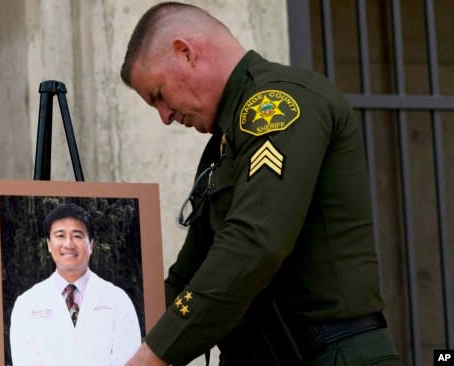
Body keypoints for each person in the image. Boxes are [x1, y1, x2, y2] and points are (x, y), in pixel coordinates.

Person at [121, 2, 401, 365]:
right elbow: (188, 275)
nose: (165, 117)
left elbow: (255, 241)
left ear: (185, 53)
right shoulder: (220, 149)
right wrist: (119, 333)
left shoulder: (277, 103)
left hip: (330, 354)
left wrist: (154, 355)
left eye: (159, 95)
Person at [9, 202, 141, 365]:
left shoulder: (117, 300)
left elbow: (128, 360)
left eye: (77, 236)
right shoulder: (27, 303)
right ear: (49, 245)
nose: (69, 244)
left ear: (91, 245)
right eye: (60, 235)